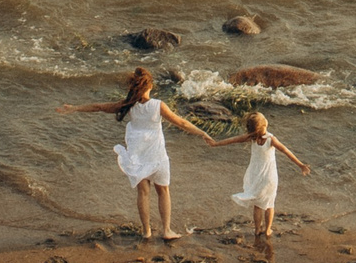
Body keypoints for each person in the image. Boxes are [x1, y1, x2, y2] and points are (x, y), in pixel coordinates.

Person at [56, 67, 214, 241]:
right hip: (156, 154)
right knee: (163, 191)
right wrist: (202, 133)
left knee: (143, 192)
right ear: (150, 86)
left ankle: (146, 231)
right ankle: (166, 231)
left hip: (137, 155)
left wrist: (74, 108)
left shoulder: (128, 105)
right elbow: (182, 123)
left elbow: (99, 107)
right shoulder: (158, 105)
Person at [211, 108, 309, 250]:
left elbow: (232, 140)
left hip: (256, 175)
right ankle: (267, 230)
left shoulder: (251, 138)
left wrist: (215, 143)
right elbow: (286, 151)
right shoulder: (270, 139)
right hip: (269, 176)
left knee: (258, 205)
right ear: (264, 124)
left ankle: (257, 230)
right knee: (269, 204)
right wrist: (301, 165)